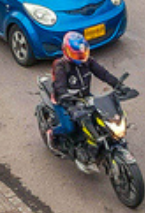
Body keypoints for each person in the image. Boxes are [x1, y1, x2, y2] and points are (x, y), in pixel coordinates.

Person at [47, 32, 122, 162]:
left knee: (102, 118)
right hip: (64, 101)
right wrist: (67, 102)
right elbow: (60, 87)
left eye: (82, 53)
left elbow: (103, 73)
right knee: (69, 128)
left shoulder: (88, 61)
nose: (81, 57)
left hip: (84, 97)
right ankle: (52, 134)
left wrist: (118, 84)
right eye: (77, 54)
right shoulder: (61, 66)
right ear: (66, 52)